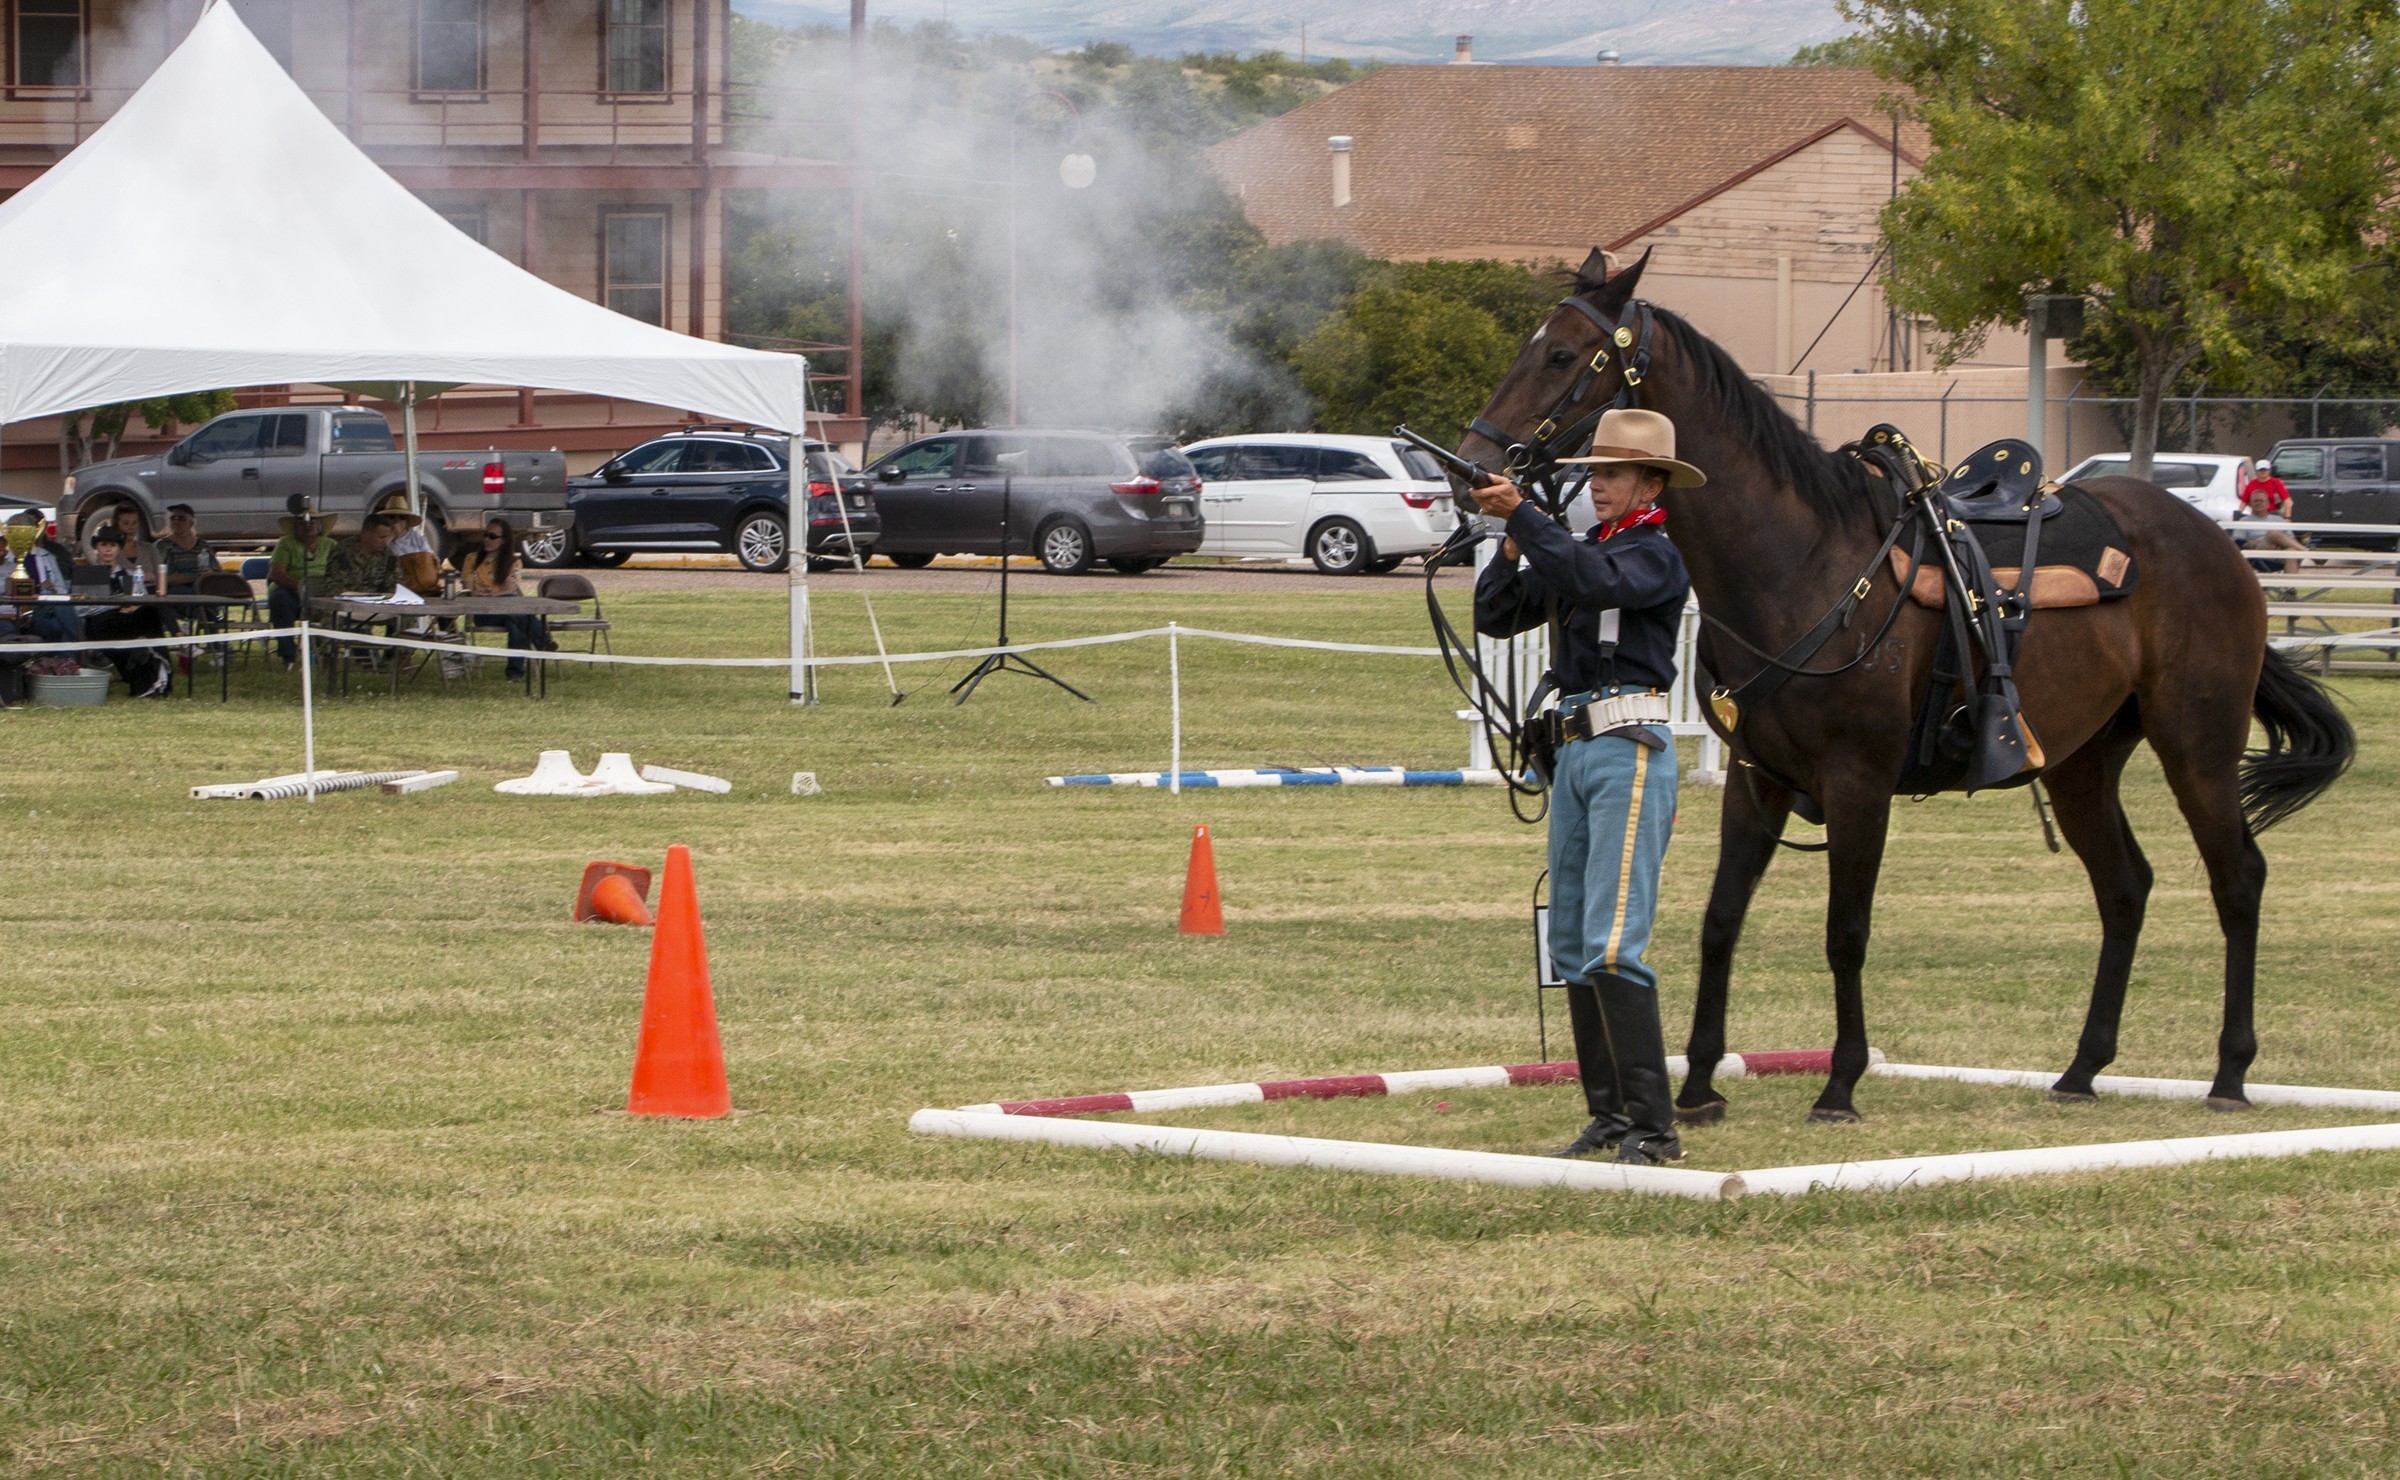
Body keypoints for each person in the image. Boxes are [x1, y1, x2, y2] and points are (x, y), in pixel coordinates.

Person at [1472, 407, 1700, 1166]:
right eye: (1594, 475)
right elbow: (1498, 613)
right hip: (1573, 753)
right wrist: (1511, 540)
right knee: (1571, 942)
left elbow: (1596, 579)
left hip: (1626, 748)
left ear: (1649, 483)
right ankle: (1609, 1117)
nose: (1597, 487)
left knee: (1612, 941)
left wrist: (1529, 519)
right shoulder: (1583, 550)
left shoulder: (1654, 553)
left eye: (1611, 475)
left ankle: (1655, 1127)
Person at [457, 518, 555, 680]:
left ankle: (515, 674)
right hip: (483, 613)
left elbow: (510, 588)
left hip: (508, 609)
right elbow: (469, 589)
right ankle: (543, 641)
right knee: (517, 612)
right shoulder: (471, 559)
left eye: (492, 536)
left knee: (515, 620)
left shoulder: (513, 562)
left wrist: (491, 594)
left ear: (503, 541)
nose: (486, 539)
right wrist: (484, 594)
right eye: (485, 535)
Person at [81, 525, 172, 697]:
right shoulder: (88, 575)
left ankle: (160, 667)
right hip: (101, 623)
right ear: (97, 547)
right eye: (104, 545)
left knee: (150, 613)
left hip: (128, 621)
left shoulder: (130, 574)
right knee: (125, 636)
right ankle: (146, 677)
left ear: (118, 549)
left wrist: (134, 606)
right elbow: (80, 609)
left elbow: (142, 596)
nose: (108, 549)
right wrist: (114, 605)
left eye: (113, 545)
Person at [265, 497, 337, 670]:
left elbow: (338, 572)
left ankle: (323, 651)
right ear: (295, 526)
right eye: (302, 521)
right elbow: (276, 573)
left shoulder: (331, 545)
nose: (308, 524)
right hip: (290, 589)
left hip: (322, 590)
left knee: (333, 603)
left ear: (319, 525)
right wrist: (300, 586)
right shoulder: (285, 543)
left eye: (314, 521)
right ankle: (288, 655)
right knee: (279, 599)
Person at [2235, 462, 2307, 572]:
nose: (2258, 503)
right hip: (2258, 554)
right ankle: (2307, 552)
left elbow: (2287, 500)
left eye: (2261, 501)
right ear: (2251, 503)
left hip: (2278, 553)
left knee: (2291, 551)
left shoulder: (2278, 519)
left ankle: (2290, 588)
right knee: (2273, 534)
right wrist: (2258, 543)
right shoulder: (2244, 521)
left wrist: (2287, 518)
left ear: (2268, 503)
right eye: (2255, 501)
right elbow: (2239, 543)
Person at [153, 504, 219, 593]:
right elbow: (158, 576)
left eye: (181, 518)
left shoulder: (203, 546)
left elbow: (217, 571)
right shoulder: (163, 545)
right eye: (173, 518)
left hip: (203, 587)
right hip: (174, 590)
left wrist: (209, 572)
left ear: (191, 523)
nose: (176, 522)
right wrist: (191, 577)